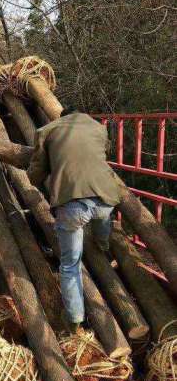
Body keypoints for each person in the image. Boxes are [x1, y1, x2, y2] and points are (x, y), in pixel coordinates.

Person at [27, 106, 120, 334]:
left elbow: (38, 170)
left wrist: (33, 178)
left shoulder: (47, 131)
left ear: (63, 117)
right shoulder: (98, 128)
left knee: (69, 265)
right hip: (106, 199)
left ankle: (75, 318)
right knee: (102, 221)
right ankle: (102, 245)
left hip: (72, 206)